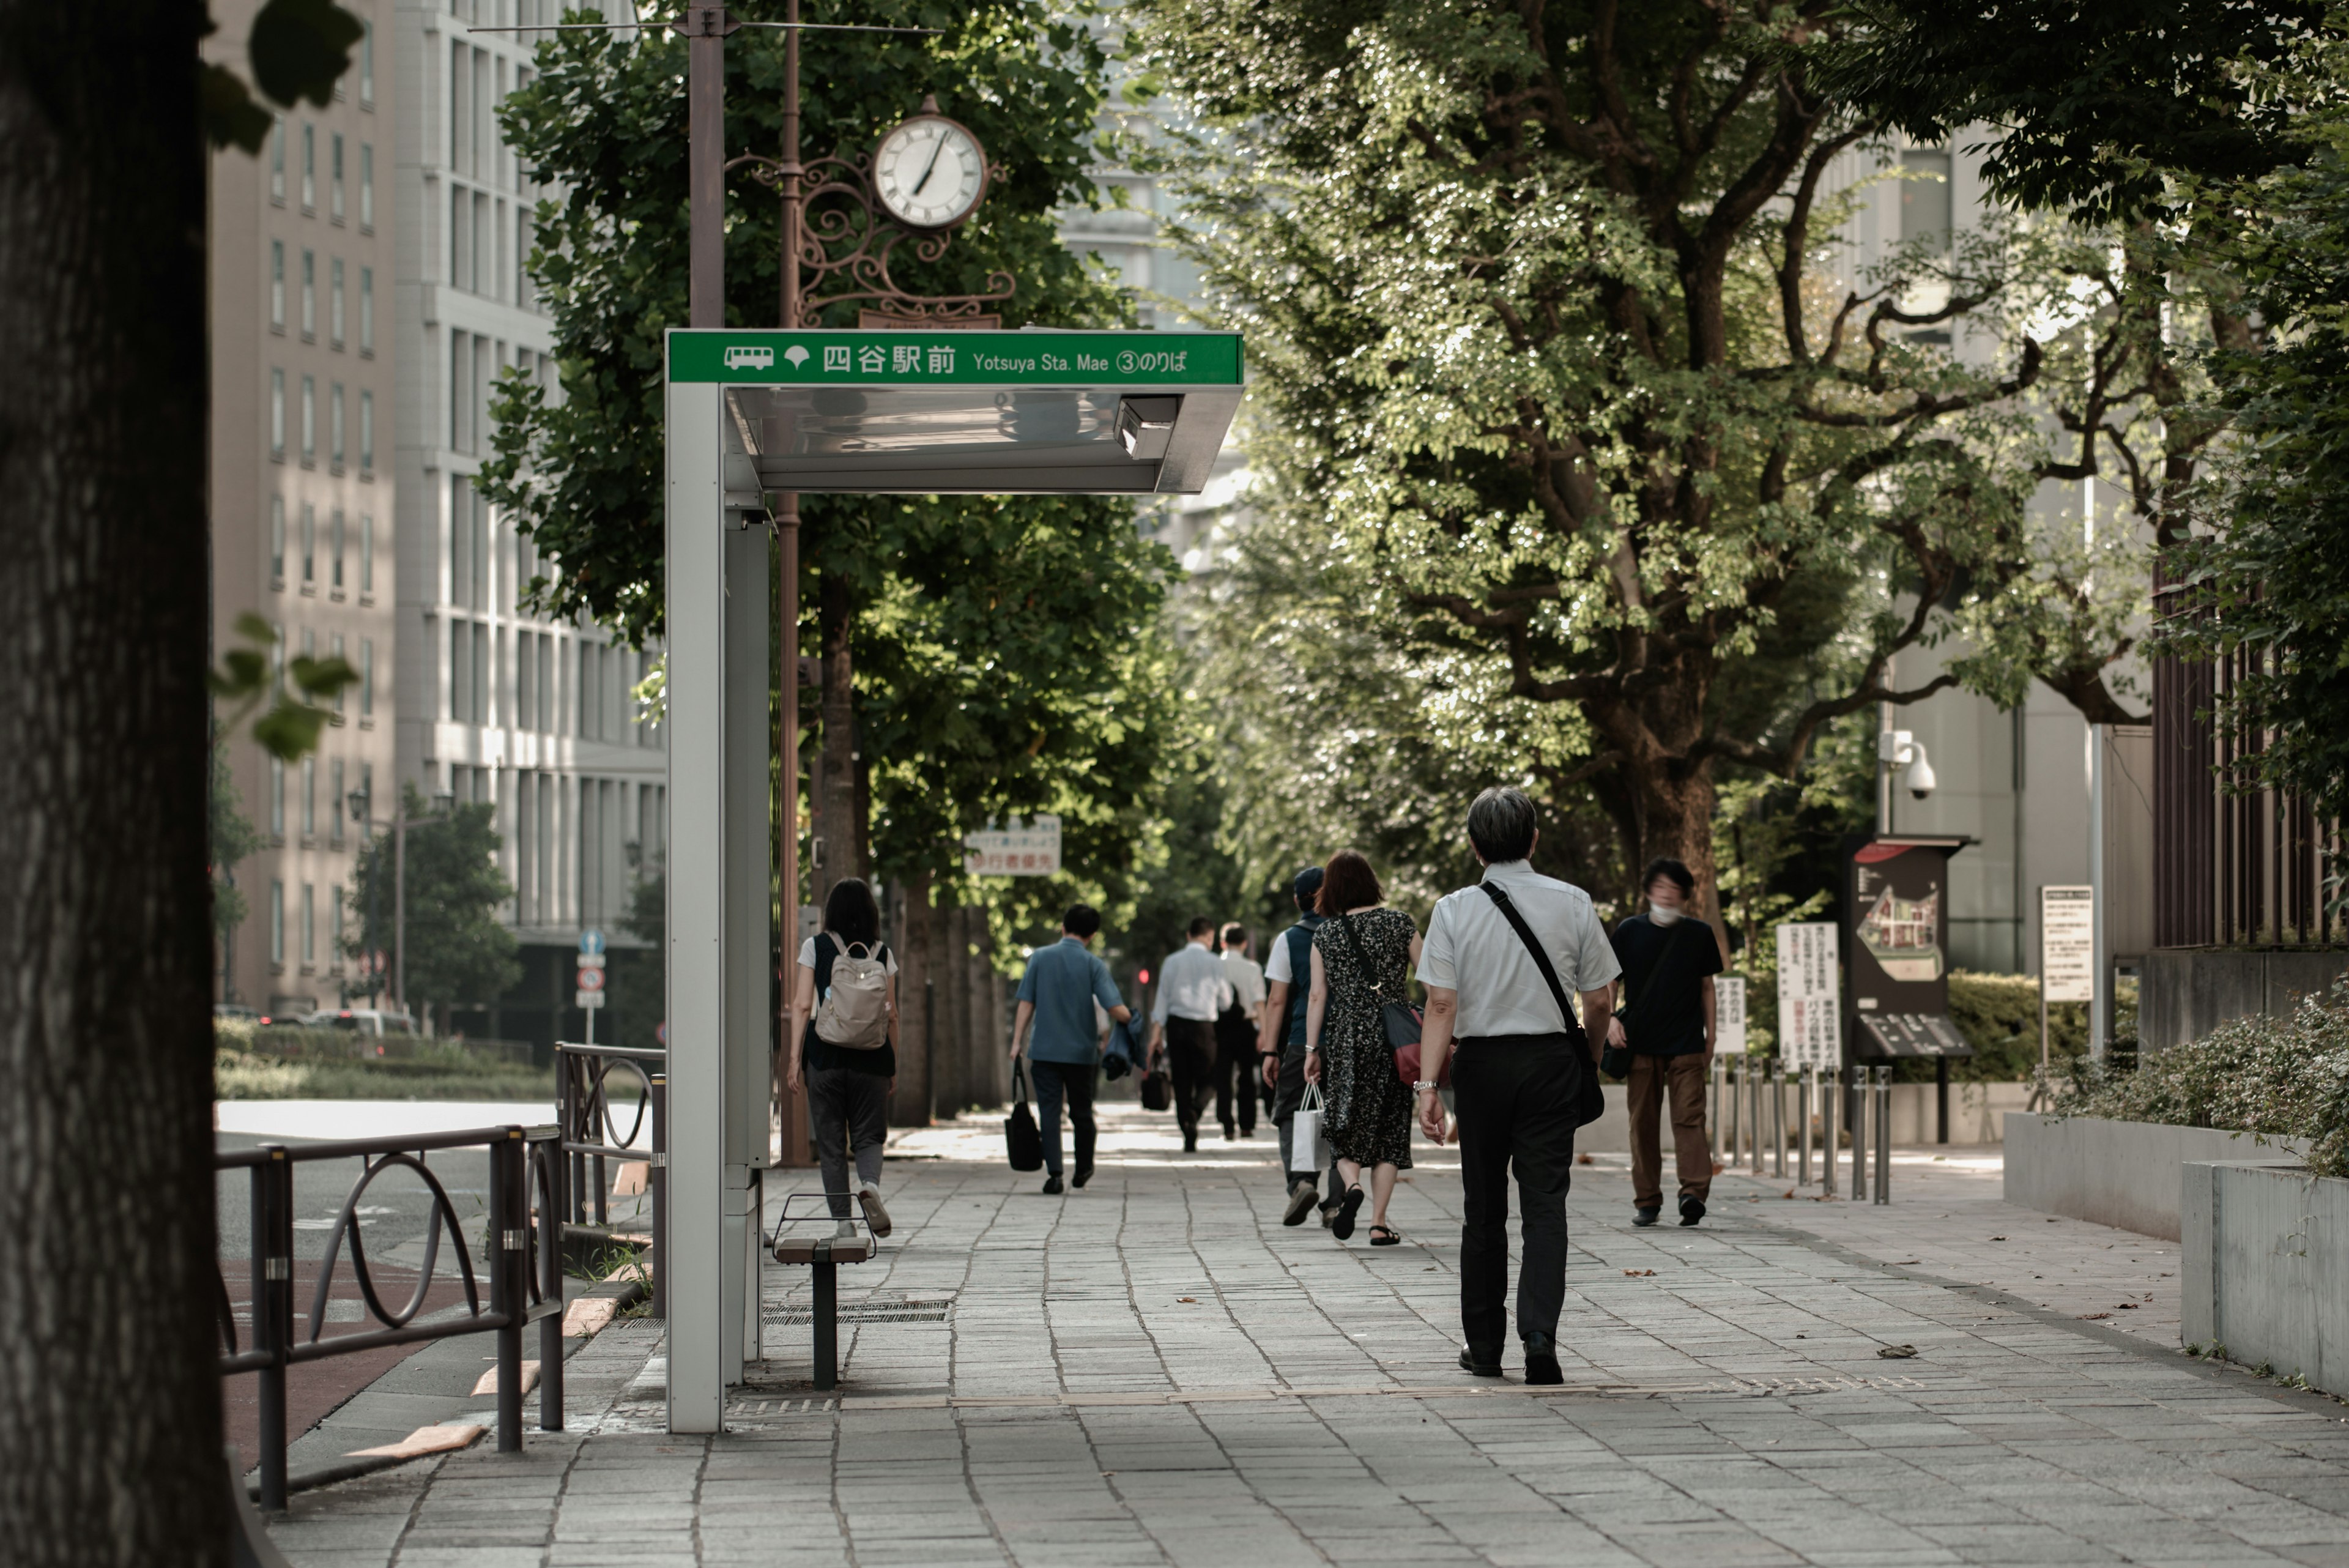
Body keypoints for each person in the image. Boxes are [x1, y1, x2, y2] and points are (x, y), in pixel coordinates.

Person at [1414, 787, 1621, 1384]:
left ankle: (1483, 1346)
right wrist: (1589, 1051)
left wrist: (1428, 1085)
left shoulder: (1454, 910)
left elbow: (1441, 1002)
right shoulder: (1573, 901)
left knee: (1483, 1208)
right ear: (1534, 839)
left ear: (1475, 846)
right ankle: (1540, 1340)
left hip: (1479, 1066)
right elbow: (1601, 996)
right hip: (1552, 1059)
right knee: (1545, 1204)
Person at [1304, 850, 1421, 1246]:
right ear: (1372, 881)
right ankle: (1378, 1222)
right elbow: (1430, 975)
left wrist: (1310, 1049)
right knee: (1390, 1128)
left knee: (1343, 1122)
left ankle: (1351, 1185)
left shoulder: (1326, 934)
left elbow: (1318, 996)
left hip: (1345, 1038)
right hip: (1394, 1037)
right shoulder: (1400, 922)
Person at [1611, 857, 1725, 1228]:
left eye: (1674, 890)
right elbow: (1610, 980)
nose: (1667, 895)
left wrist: (1712, 1036)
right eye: (1660, 887)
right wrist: (1610, 1019)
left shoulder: (1699, 933)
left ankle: (1693, 1194)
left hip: (1687, 1043)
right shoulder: (1629, 931)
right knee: (1641, 1122)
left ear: (1685, 895)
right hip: (1639, 1043)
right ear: (1648, 891)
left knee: (1690, 1120)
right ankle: (1647, 1200)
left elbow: (1708, 987)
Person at [786, 877, 899, 1239]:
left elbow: (803, 1005)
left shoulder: (815, 946)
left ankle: (844, 1224)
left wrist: (793, 1059)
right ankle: (871, 1186)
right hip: (873, 1058)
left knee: (831, 1141)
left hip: (825, 1055)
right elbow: (891, 1013)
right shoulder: (883, 953)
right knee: (869, 1138)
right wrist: (892, 1063)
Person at [1009, 904, 1133, 1195]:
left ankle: (1055, 1174)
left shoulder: (1040, 958)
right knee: (1082, 1112)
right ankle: (1084, 1168)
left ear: (1063, 927)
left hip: (1044, 1051)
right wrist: (1133, 1020)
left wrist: (1017, 1041)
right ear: (1092, 935)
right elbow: (1113, 1006)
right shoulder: (1094, 964)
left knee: (1049, 1112)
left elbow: (1027, 1003)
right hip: (1082, 1054)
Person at [1261, 866, 1335, 1226]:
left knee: (1292, 1112)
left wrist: (1269, 1051)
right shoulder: (1347, 931)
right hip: (1348, 1039)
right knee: (1343, 1117)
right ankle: (1336, 1201)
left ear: (1296, 900)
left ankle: (1302, 1181)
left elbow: (1277, 1000)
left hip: (1301, 1040)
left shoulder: (1288, 939)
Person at [1148, 917, 1232, 1151]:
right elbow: (1226, 1002)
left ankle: (1187, 1130)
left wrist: (1156, 1036)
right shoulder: (1215, 963)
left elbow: (1161, 1001)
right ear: (1210, 937)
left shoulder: (1172, 962)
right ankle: (1196, 1110)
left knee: (1182, 1080)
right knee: (1211, 1078)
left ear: (1188, 935)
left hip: (1176, 1026)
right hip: (1204, 1027)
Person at [1213, 923, 1267, 1141]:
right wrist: (1264, 1032)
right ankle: (1247, 1125)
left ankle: (1227, 1125)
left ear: (1222, 942)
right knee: (1246, 1077)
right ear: (1244, 943)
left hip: (1221, 1027)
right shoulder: (1253, 968)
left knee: (1223, 1077)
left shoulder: (1214, 966)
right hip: (1246, 1027)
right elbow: (1260, 1003)